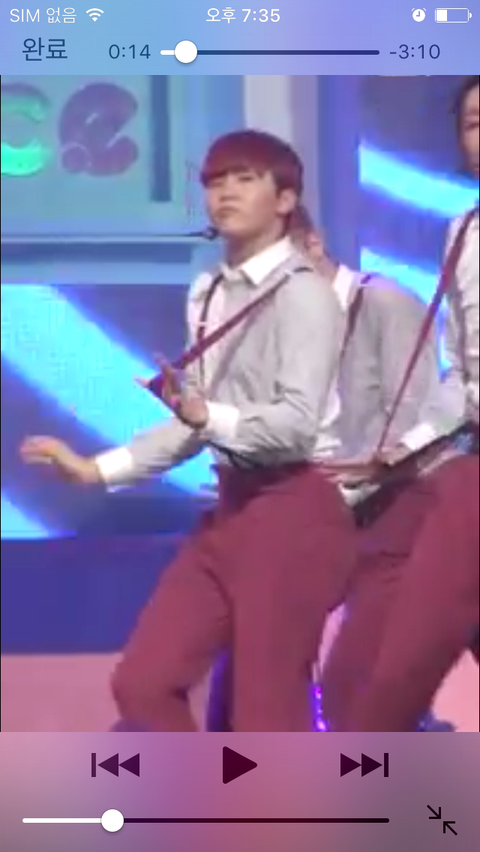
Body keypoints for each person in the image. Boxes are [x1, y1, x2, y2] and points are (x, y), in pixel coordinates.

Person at [21, 129, 357, 732]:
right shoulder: (207, 291)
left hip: (296, 510)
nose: (225, 192)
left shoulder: (306, 294)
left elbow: (296, 424)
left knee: (266, 713)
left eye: (245, 179)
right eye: (215, 181)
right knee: (143, 684)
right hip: (230, 510)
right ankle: (214, 791)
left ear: (285, 200)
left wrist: (208, 417)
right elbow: (192, 419)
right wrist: (96, 469)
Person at [206, 205, 451, 733]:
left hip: (399, 506)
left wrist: (324, 495)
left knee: (364, 676)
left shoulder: (384, 303)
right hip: (326, 510)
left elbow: (414, 419)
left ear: (312, 246)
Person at [322, 75, 479, 731]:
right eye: (474, 123)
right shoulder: (462, 233)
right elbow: (461, 376)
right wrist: (399, 451)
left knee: (394, 675)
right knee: (382, 671)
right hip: (468, 467)